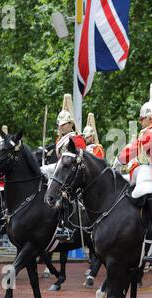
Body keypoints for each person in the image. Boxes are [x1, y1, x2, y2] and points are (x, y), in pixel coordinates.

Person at [115, 82, 152, 265]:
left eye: (142, 119)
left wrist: (118, 160)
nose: (140, 122)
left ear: (149, 119)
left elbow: (133, 149)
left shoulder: (150, 133)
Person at [41, 94, 86, 241]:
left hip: (70, 170)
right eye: (59, 125)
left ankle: (65, 226)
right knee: (40, 172)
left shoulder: (76, 138)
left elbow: (79, 156)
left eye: (63, 124)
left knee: (64, 191)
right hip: (61, 167)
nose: (60, 127)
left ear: (70, 124)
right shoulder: (60, 139)